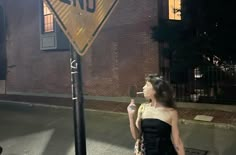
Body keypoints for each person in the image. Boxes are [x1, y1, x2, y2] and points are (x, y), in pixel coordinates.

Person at [127, 74, 185, 155]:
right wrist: (131, 116)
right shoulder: (143, 108)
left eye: (147, 85)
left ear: (156, 90)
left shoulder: (171, 112)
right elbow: (136, 136)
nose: (143, 87)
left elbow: (177, 141)